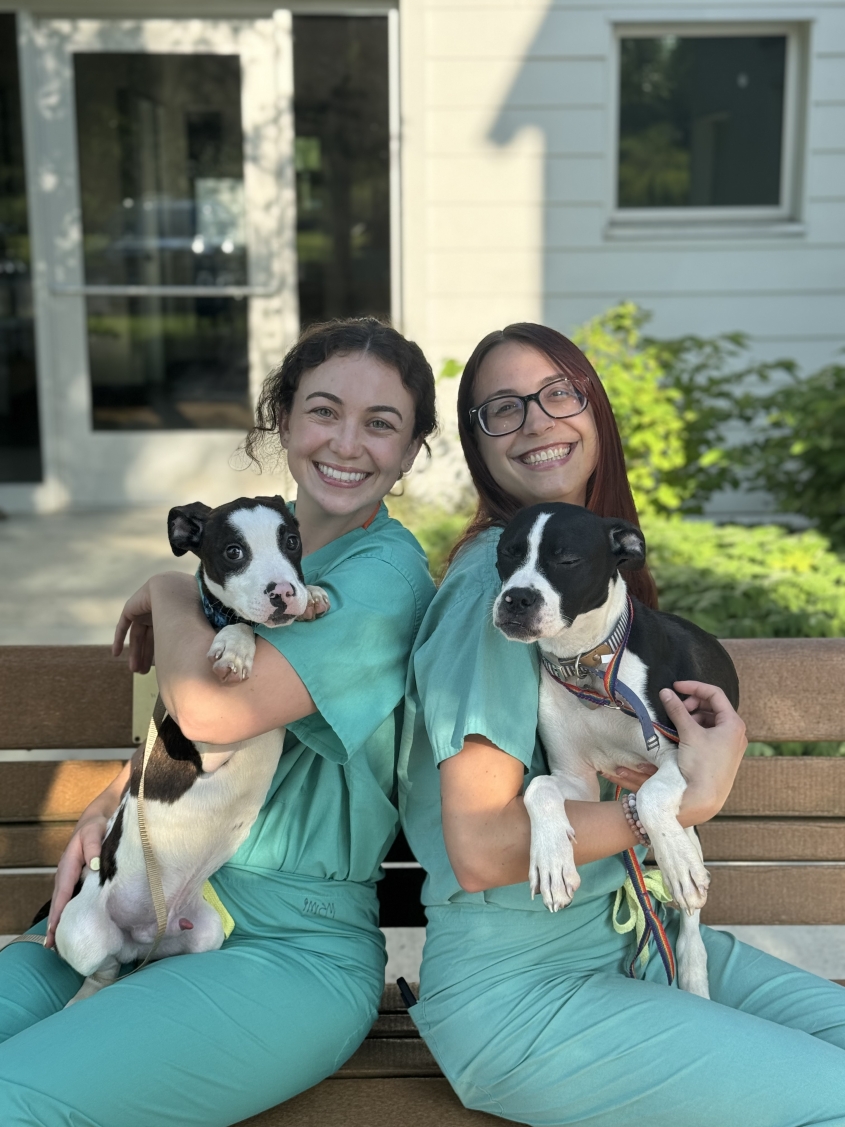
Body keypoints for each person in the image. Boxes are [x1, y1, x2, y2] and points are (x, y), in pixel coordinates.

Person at [399, 323, 845, 1127]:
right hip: (526, 990)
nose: (535, 421)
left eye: (557, 394)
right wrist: (683, 802)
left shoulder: (593, 579)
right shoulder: (493, 598)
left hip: (637, 941)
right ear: (476, 443)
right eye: (501, 409)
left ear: (594, 408)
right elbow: (479, 847)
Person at [0, 318, 438, 1127]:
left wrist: (166, 587)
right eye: (323, 410)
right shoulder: (242, 551)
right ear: (282, 421)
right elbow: (171, 734)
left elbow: (208, 715)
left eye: (381, 423)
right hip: (133, 889)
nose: (346, 442)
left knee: (15, 1099)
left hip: (284, 947)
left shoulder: (384, 579)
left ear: (412, 450)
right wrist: (113, 805)